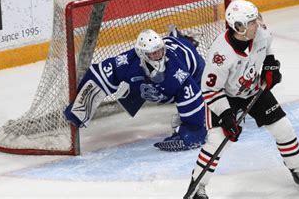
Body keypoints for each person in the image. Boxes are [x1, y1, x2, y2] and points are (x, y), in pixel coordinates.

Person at [185, 0, 299, 199]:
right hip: (226, 97)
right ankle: (198, 186)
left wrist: (270, 65)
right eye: (251, 22)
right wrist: (225, 115)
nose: (256, 24)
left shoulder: (261, 33)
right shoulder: (220, 55)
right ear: (238, 27)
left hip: (254, 89)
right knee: (217, 140)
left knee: (283, 128)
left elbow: (267, 49)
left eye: (255, 20)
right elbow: (210, 89)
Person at [64, 28, 207, 152]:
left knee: (191, 94)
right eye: (153, 53)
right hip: (156, 72)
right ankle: (177, 36)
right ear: (141, 54)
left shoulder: (177, 70)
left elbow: (190, 95)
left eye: (160, 51)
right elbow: (102, 73)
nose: (158, 56)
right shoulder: (128, 60)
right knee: (137, 82)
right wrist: (80, 107)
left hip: (195, 67)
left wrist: (192, 130)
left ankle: (185, 40)